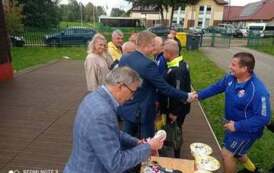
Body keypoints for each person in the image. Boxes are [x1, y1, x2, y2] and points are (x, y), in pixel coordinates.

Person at [64, 67, 164, 173]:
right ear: (121, 86)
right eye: (132, 92)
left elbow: (111, 131)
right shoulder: (102, 113)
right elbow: (116, 164)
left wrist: (137, 142)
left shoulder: (92, 97)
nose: (132, 98)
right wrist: (148, 147)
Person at [193, 52, 271, 173]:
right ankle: (254, 170)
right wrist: (198, 95)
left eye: (234, 65)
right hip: (232, 125)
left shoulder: (259, 91)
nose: (230, 67)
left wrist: (237, 126)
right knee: (239, 153)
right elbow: (217, 87)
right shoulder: (231, 78)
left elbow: (263, 118)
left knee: (227, 154)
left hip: (246, 130)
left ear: (245, 68)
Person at [118, 31, 194, 138]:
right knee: (148, 142)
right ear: (146, 45)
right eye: (153, 45)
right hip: (143, 111)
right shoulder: (148, 64)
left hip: (127, 107)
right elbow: (164, 87)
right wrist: (186, 96)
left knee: (126, 137)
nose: (155, 48)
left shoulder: (125, 57)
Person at [161, 39, 191, 158]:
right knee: (173, 129)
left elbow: (179, 93)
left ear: (169, 53)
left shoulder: (177, 69)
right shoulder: (180, 63)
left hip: (176, 110)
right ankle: (170, 147)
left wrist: (175, 112)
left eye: (164, 52)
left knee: (176, 131)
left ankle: (176, 155)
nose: (163, 55)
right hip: (175, 108)